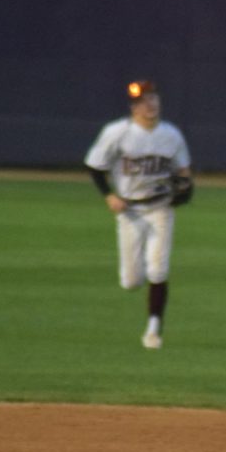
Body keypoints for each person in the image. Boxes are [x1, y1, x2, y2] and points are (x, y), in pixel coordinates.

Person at [85, 80, 192, 350]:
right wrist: (109, 195)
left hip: (160, 208)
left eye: (154, 98)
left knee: (158, 269)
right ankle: (140, 280)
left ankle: (154, 329)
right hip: (129, 210)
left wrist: (185, 190)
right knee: (131, 281)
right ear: (134, 106)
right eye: (144, 100)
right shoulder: (117, 132)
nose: (151, 104)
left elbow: (184, 173)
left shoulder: (171, 134)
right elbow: (95, 166)